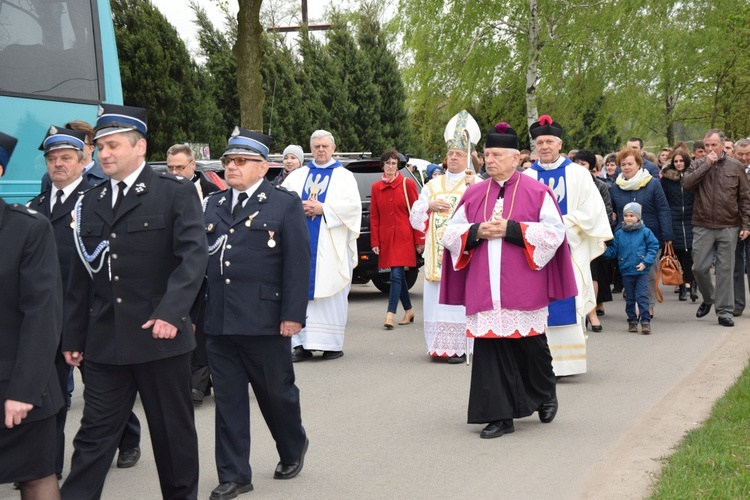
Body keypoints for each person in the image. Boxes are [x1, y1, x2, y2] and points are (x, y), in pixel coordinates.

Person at [60, 104, 208, 499]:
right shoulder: (89, 201)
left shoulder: (173, 193)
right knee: (93, 438)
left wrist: (171, 313)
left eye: (113, 145)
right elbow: (80, 278)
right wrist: (73, 336)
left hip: (160, 338)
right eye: (101, 146)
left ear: (140, 146)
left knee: (172, 439)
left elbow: (192, 259)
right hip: (106, 343)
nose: (105, 153)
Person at [439, 122, 577, 438]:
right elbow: (449, 233)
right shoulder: (473, 194)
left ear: (516, 158)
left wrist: (512, 230)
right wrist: (475, 232)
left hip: (522, 282)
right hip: (485, 286)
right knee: (490, 349)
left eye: (497, 155)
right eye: (487, 154)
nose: (489, 160)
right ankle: (499, 415)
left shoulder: (537, 192)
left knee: (530, 345)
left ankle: (545, 390)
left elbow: (555, 233)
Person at [28, 125, 143, 478]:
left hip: (89, 315)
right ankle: (48, 466)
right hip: (46, 316)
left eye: (66, 158)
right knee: (49, 394)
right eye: (52, 159)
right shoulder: (35, 207)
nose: (58, 164)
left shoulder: (94, 202)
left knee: (101, 389)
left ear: (83, 161)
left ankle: (129, 438)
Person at [202, 128, 310, 499]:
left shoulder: (283, 203)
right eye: (228, 160)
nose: (231, 166)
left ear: (263, 166)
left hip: (265, 320)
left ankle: (292, 445)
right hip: (219, 320)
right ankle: (234, 474)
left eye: (240, 161)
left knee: (275, 394)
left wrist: (292, 314)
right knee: (229, 401)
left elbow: (297, 262)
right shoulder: (213, 204)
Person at [0, 131, 65, 499]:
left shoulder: (27, 228)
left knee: (35, 477)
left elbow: (42, 315)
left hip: (17, 385)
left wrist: (24, 390)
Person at [524, 115, 612, 376]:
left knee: (567, 299)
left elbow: (592, 211)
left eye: (549, 141)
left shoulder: (578, 174)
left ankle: (566, 364)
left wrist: (560, 225)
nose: (544, 146)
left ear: (560, 144)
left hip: (568, 249)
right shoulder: (527, 176)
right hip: (535, 252)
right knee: (536, 303)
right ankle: (539, 363)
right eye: (540, 142)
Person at [282, 130, 362, 361]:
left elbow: (354, 208)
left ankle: (331, 343)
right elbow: (281, 201)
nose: (320, 150)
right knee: (298, 290)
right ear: (311, 148)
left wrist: (323, 209)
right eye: (316, 146)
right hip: (301, 244)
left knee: (331, 292)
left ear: (333, 148)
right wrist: (299, 208)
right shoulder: (298, 176)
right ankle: (301, 344)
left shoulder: (345, 176)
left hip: (330, 244)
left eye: (325, 146)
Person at [410, 112, 474, 363]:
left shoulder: (473, 183)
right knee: (436, 298)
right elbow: (415, 214)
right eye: (451, 155)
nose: (454, 158)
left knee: (458, 297)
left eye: (459, 154)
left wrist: (475, 183)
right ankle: (438, 346)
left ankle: (459, 347)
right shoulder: (432, 186)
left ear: (467, 156)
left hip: (460, 253)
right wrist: (428, 206)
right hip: (436, 252)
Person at [166, 143, 220, 407]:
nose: (175, 172)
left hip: (206, 269)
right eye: (171, 167)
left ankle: (198, 381)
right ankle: (189, 379)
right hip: (173, 269)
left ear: (192, 166)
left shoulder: (213, 194)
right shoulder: (161, 193)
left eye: (180, 167)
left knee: (201, 327)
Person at [682, 129, 750, 327]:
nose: (710, 149)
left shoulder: (735, 166)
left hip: (728, 225)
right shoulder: (697, 164)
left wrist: (745, 224)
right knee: (699, 267)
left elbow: (745, 198)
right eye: (707, 146)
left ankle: (724, 311)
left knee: (725, 270)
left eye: (713, 145)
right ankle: (709, 298)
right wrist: (706, 165)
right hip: (702, 224)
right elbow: (686, 184)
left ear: (722, 145)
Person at [609, 148, 673, 317]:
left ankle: (647, 306)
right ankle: (634, 307)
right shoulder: (616, 187)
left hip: (649, 235)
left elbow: (663, 209)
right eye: (623, 164)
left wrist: (667, 236)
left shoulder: (652, 183)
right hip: (626, 238)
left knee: (649, 274)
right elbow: (613, 212)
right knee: (629, 274)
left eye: (630, 163)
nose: (626, 167)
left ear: (639, 164)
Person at [370, 149, 425, 329]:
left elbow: (417, 214)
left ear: (398, 166)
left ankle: (390, 314)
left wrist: (419, 240)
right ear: (383, 165)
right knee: (398, 275)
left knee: (395, 274)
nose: (391, 166)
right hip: (387, 238)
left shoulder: (407, 184)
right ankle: (408, 310)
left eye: (394, 163)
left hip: (404, 237)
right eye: (387, 163)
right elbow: (374, 217)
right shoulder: (376, 187)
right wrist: (375, 242)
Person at [603, 203, 659, 333]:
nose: (628, 218)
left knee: (642, 296)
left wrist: (646, 262)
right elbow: (613, 252)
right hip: (626, 270)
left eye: (632, 216)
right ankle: (632, 321)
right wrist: (604, 250)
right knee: (630, 298)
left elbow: (653, 247)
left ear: (638, 217)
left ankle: (645, 321)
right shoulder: (620, 234)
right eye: (626, 215)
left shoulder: (645, 232)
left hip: (641, 271)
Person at [573, 149, 614, 330]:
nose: (579, 167)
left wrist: (602, 235)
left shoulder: (600, 186)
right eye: (577, 164)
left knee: (592, 274)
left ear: (591, 168)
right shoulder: (569, 183)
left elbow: (605, 212)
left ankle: (592, 312)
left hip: (591, 235)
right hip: (571, 234)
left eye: (583, 164)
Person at [660, 150, 697, 302]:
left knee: (692, 254)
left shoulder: (693, 177)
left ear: (686, 162)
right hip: (674, 219)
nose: (679, 163)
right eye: (676, 161)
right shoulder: (667, 180)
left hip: (691, 218)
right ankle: (681, 286)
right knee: (679, 254)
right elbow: (663, 200)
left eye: (681, 161)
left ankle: (693, 284)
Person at [41, 119, 106, 192]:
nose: (72, 148)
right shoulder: (49, 177)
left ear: (91, 148)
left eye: (79, 143)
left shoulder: (107, 177)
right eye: (67, 143)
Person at [732, 139, 750, 316]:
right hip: (733, 226)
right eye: (741, 154)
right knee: (736, 266)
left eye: (748, 154)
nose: (744, 158)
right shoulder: (729, 170)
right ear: (734, 153)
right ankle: (737, 303)